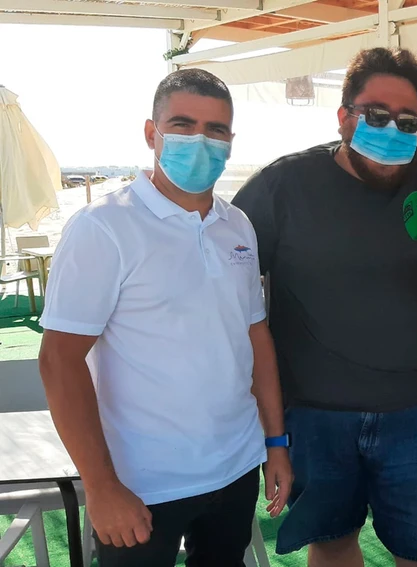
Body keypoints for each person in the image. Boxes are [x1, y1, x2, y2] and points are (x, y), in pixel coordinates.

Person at [231, 47, 417, 567]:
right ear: (344, 115)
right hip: (315, 413)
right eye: (375, 115)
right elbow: (224, 268)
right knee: (331, 541)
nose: (392, 129)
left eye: (407, 121)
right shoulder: (284, 184)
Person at [37, 69, 292, 566]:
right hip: (141, 484)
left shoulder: (236, 223)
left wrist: (274, 443)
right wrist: (101, 486)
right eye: (183, 124)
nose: (201, 140)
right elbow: (59, 362)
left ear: (231, 140)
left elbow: (254, 336)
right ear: (152, 133)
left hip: (236, 468)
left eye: (217, 129)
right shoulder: (103, 228)